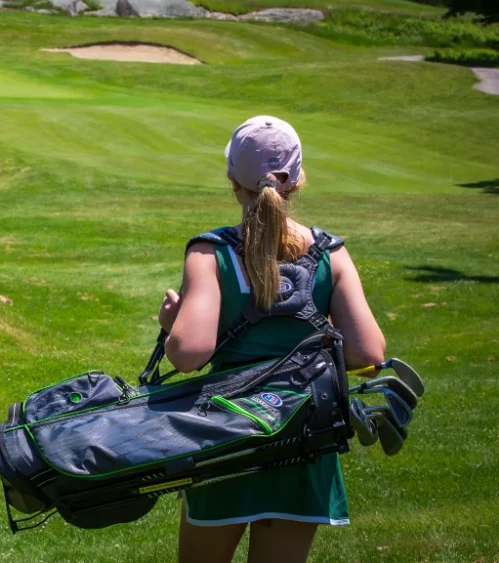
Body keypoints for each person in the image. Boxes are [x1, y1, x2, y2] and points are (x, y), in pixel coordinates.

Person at [157, 116, 386, 563]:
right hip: (303, 435)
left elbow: (188, 354)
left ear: (232, 180)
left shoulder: (211, 253)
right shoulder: (330, 253)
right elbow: (369, 355)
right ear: (298, 181)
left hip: (226, 433)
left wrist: (172, 326)